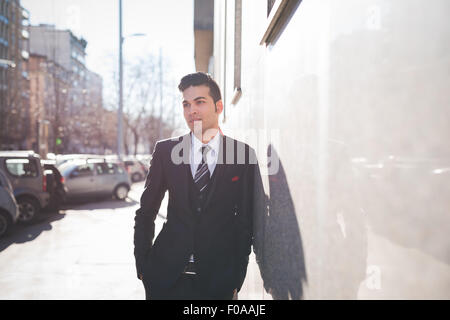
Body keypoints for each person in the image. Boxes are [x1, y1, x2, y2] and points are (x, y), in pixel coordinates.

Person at [134, 72, 258, 300]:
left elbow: (245, 222)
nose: (192, 110)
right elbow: (145, 212)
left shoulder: (242, 155)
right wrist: (143, 266)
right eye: (186, 104)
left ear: (219, 107)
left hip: (217, 281)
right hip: (164, 278)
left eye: (200, 102)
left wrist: (236, 277)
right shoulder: (166, 151)